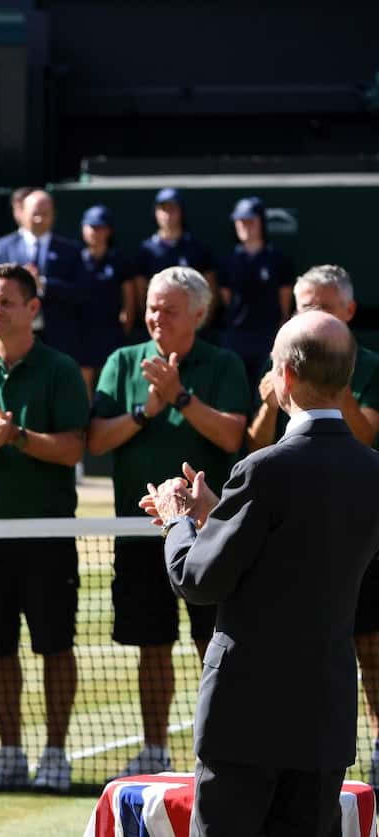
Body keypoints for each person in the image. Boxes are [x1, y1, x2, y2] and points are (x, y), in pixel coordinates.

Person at [143, 310, 379, 836]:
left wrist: (178, 521)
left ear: (286, 378)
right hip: (323, 716)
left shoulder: (264, 468)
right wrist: (215, 516)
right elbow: (300, 545)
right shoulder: (370, 471)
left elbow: (197, 580)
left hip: (245, 718)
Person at [87, 266, 248, 777]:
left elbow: (230, 437)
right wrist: (147, 410)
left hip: (210, 533)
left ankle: (222, 744)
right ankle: (154, 748)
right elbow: (97, 440)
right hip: (140, 535)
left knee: (214, 645)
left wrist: (180, 396)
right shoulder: (121, 360)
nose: (156, 317)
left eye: (169, 309)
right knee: (151, 646)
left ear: (198, 315)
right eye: (152, 307)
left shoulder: (222, 363)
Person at [0, 262, 88, 791]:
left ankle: (54, 753)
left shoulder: (60, 369)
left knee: (54, 645)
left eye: (6, 302)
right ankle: (9, 752)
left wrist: (19, 438)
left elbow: (76, 446)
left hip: (48, 534)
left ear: (33, 309)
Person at [245, 265, 379, 783]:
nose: (311, 315)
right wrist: (269, 396)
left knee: (368, 643)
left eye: (321, 306)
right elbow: (257, 446)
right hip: (294, 521)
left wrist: (332, 380)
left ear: (347, 311)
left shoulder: (366, 367)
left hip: (352, 521)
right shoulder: (284, 363)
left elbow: (365, 439)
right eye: (303, 306)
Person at [58, 205, 137, 394]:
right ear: (83, 229)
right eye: (91, 226)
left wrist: (126, 320)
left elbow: (129, 296)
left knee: (111, 380)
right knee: (84, 384)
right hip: (82, 332)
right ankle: (86, 421)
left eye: (100, 227)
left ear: (109, 230)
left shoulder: (119, 260)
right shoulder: (75, 260)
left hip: (111, 331)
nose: (95, 232)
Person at [217, 196, 294, 389]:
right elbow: (226, 297)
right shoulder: (228, 262)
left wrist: (280, 325)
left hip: (268, 337)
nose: (244, 225)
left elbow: (284, 298)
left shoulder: (278, 259)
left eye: (250, 220)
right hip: (235, 337)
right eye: (240, 221)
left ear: (261, 223)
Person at [0, 189, 81, 340]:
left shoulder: (70, 250)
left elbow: (78, 290)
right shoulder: (4, 246)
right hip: (13, 332)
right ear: (22, 213)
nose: (39, 219)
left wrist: (42, 284)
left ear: (53, 215)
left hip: (57, 334)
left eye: (45, 214)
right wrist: (21, 283)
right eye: (35, 213)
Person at [136, 188, 216, 334]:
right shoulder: (146, 251)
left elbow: (210, 291)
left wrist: (198, 326)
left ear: (181, 212)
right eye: (163, 209)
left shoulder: (197, 249)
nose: (167, 214)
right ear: (155, 213)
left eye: (172, 208)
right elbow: (141, 295)